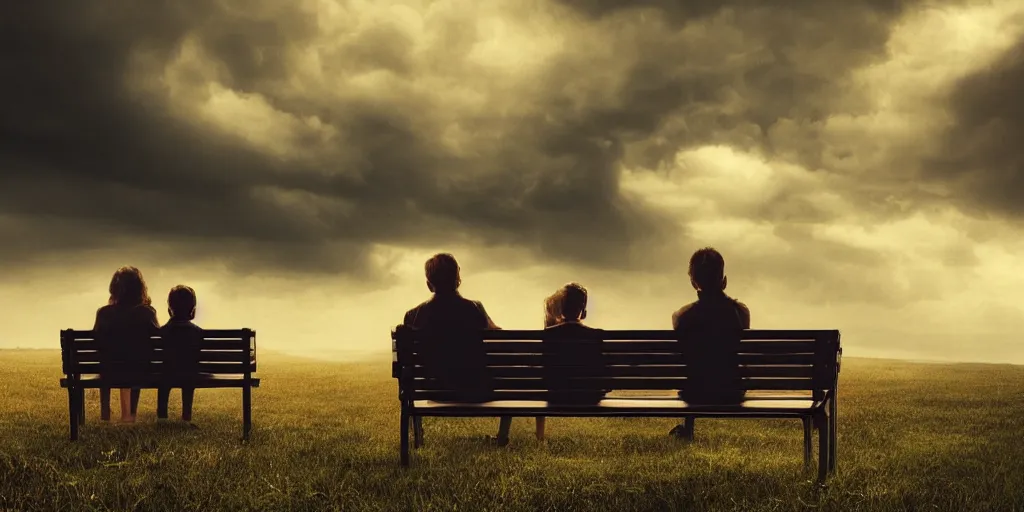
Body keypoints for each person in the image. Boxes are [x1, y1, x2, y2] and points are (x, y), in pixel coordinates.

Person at [401, 253, 507, 444]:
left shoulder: (413, 316)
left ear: (429, 284)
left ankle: (417, 435)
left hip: (435, 391)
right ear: (458, 280)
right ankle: (502, 437)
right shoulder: (475, 309)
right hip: (477, 390)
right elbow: (497, 336)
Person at [669, 247, 751, 440]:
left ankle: (687, 429)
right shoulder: (741, 312)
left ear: (693, 282)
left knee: (696, 371)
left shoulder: (682, 316)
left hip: (694, 392)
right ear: (724, 280)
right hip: (732, 391)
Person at [533, 283, 606, 441]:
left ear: (560, 307)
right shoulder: (596, 336)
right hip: (589, 397)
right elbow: (605, 378)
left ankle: (539, 438)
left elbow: (544, 371)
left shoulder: (549, 335)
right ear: (583, 310)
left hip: (557, 396)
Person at [93, 266, 159, 423]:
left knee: (111, 363)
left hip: (109, 370)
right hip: (139, 369)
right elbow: (157, 341)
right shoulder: (147, 312)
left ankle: (106, 415)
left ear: (114, 289)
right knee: (135, 362)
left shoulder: (103, 313)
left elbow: (97, 341)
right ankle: (131, 414)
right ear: (140, 289)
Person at [158, 285, 203, 423]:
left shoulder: (162, 331)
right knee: (188, 380)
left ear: (169, 309)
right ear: (192, 310)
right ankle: (186, 415)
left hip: (167, 373)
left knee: (164, 382)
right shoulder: (198, 332)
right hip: (190, 374)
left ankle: (162, 415)